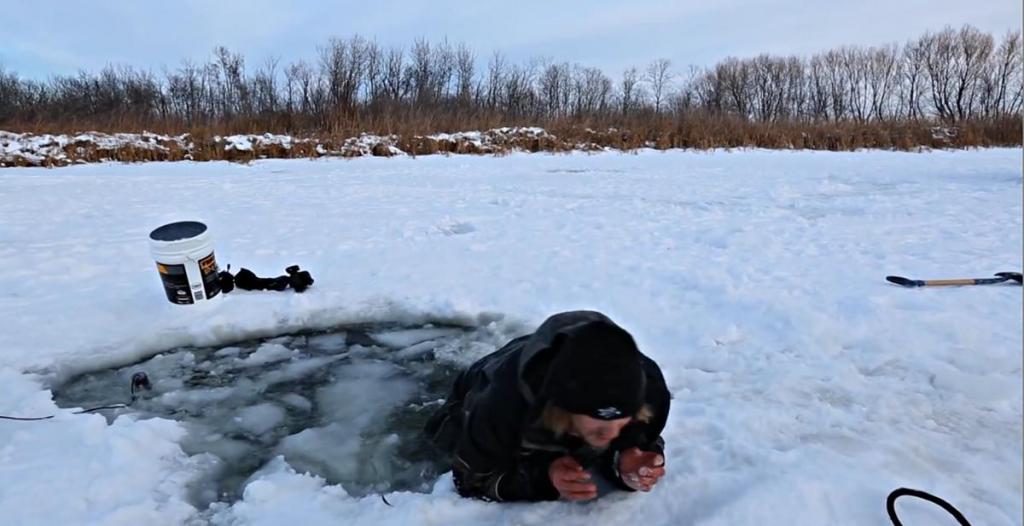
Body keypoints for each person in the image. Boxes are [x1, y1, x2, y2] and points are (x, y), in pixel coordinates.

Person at [424, 310, 670, 502]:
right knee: (440, 442)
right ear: (568, 408)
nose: (614, 433)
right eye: (600, 429)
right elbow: (470, 479)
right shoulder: (502, 408)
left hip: (560, 365)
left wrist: (627, 455)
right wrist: (544, 477)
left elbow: (638, 434)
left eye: (624, 421)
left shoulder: (649, 393)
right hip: (488, 379)